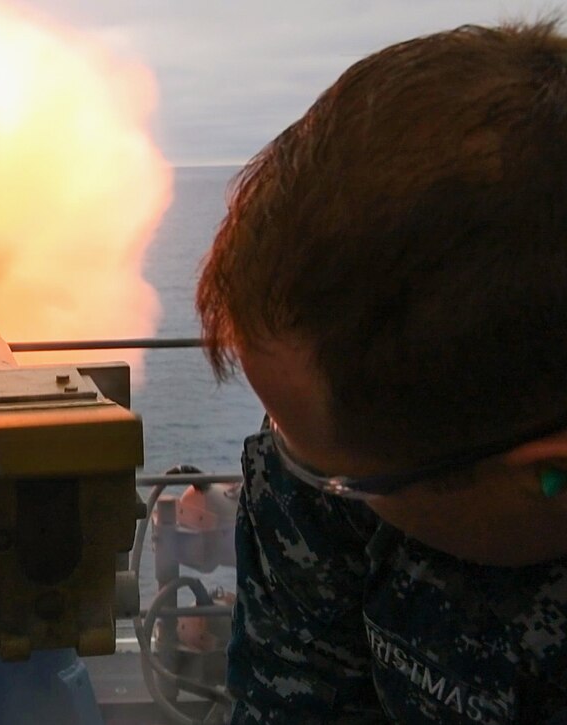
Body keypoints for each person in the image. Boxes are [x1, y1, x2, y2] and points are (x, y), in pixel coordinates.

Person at [196, 19, 567, 724]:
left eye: (338, 476)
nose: (293, 465)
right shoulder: (338, 451)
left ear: (548, 476)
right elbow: (291, 693)